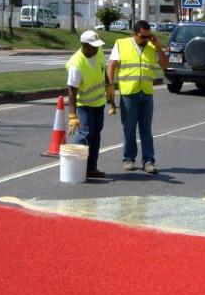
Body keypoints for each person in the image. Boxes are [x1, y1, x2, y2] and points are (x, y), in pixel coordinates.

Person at [107, 19, 169, 174]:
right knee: (129, 129)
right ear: (135, 34)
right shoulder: (121, 44)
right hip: (129, 93)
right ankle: (128, 158)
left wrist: (158, 47)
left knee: (146, 129)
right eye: (143, 36)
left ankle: (148, 161)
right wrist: (110, 87)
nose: (146, 39)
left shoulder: (151, 47)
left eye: (149, 36)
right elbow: (112, 65)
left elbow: (165, 65)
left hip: (146, 94)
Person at [66, 30, 112, 179]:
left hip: (99, 103)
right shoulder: (76, 63)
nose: (97, 49)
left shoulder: (97, 53)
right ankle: (78, 169)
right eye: (93, 46)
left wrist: (109, 88)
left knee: (96, 135)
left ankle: (91, 168)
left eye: (98, 46)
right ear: (84, 45)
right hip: (84, 105)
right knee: (85, 135)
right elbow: (72, 91)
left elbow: (102, 70)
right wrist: (73, 115)